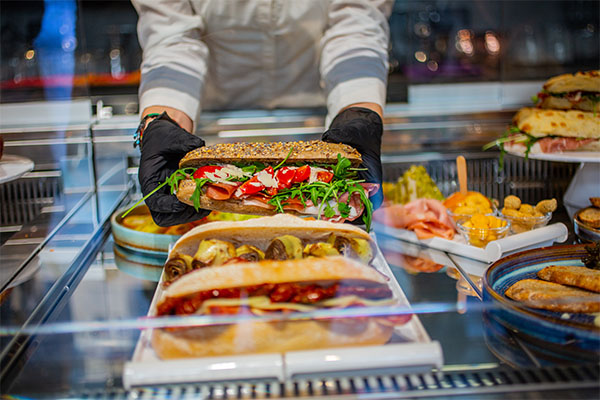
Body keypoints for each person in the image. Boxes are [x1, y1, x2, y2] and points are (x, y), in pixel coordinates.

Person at [131, 0, 393, 226]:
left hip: (321, 119)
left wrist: (358, 111)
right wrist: (165, 120)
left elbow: (357, 24)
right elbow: (170, 35)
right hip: (210, 124)